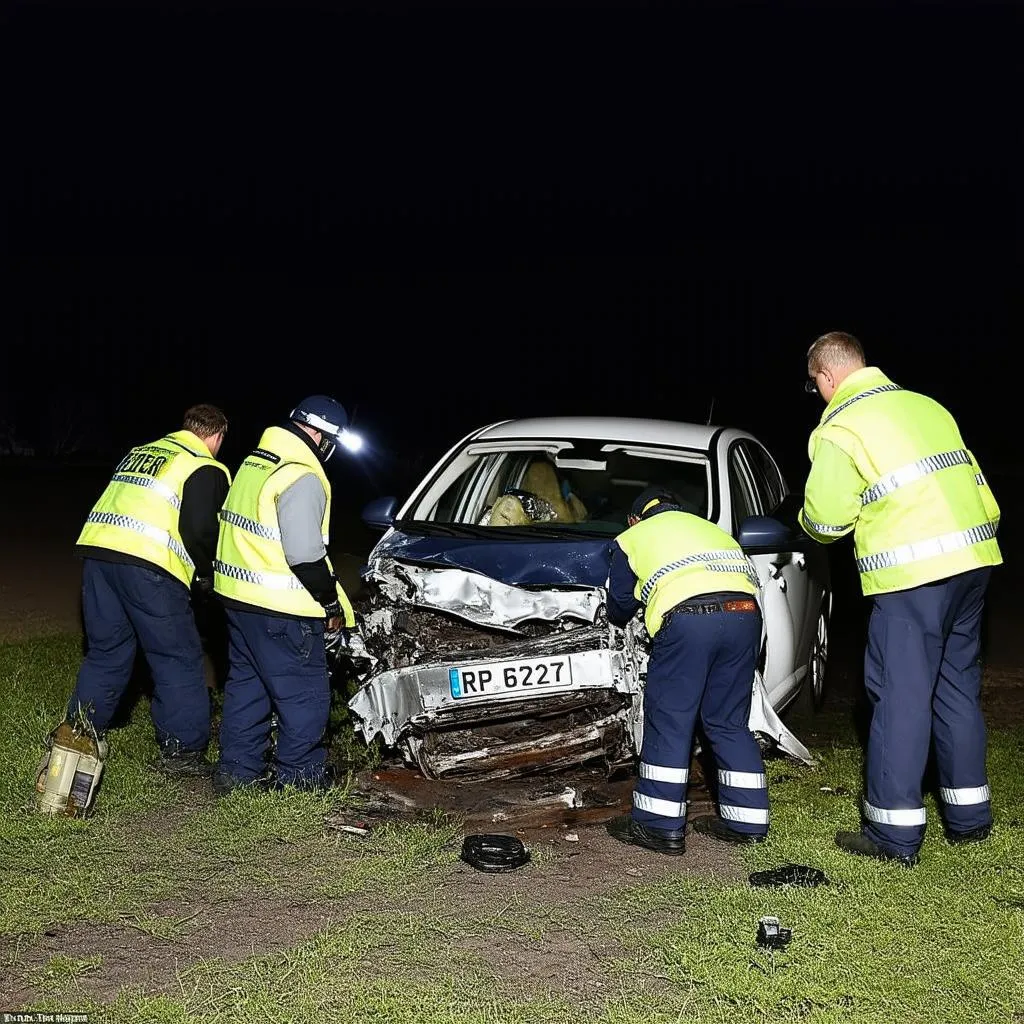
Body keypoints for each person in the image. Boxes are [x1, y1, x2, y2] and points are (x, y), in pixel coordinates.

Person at [800, 331, 1002, 866]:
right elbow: (983, 493)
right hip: (975, 562)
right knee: (956, 689)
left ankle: (893, 833)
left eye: (815, 384)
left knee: (900, 694)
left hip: (913, 576)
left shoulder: (840, 427)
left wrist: (803, 521)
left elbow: (825, 522)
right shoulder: (929, 408)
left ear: (826, 376)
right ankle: (969, 819)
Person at [66, 404, 231, 774]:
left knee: (106, 652)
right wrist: (207, 575)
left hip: (98, 555)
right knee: (178, 658)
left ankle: (77, 734)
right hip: (149, 566)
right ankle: (182, 752)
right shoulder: (204, 465)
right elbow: (202, 530)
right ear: (217, 437)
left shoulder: (141, 452)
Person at [605, 487, 770, 855]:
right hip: (745, 616)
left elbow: (618, 607)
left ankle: (657, 825)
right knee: (727, 721)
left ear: (635, 518)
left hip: (689, 620)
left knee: (671, 718)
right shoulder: (711, 530)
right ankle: (747, 821)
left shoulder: (632, 538)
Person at [212, 395, 359, 794]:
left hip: (238, 600)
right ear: (320, 435)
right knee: (306, 698)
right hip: (282, 609)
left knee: (248, 688)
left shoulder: (256, 462)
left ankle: (236, 773)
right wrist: (330, 604)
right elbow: (306, 555)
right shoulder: (302, 474)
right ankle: (300, 777)